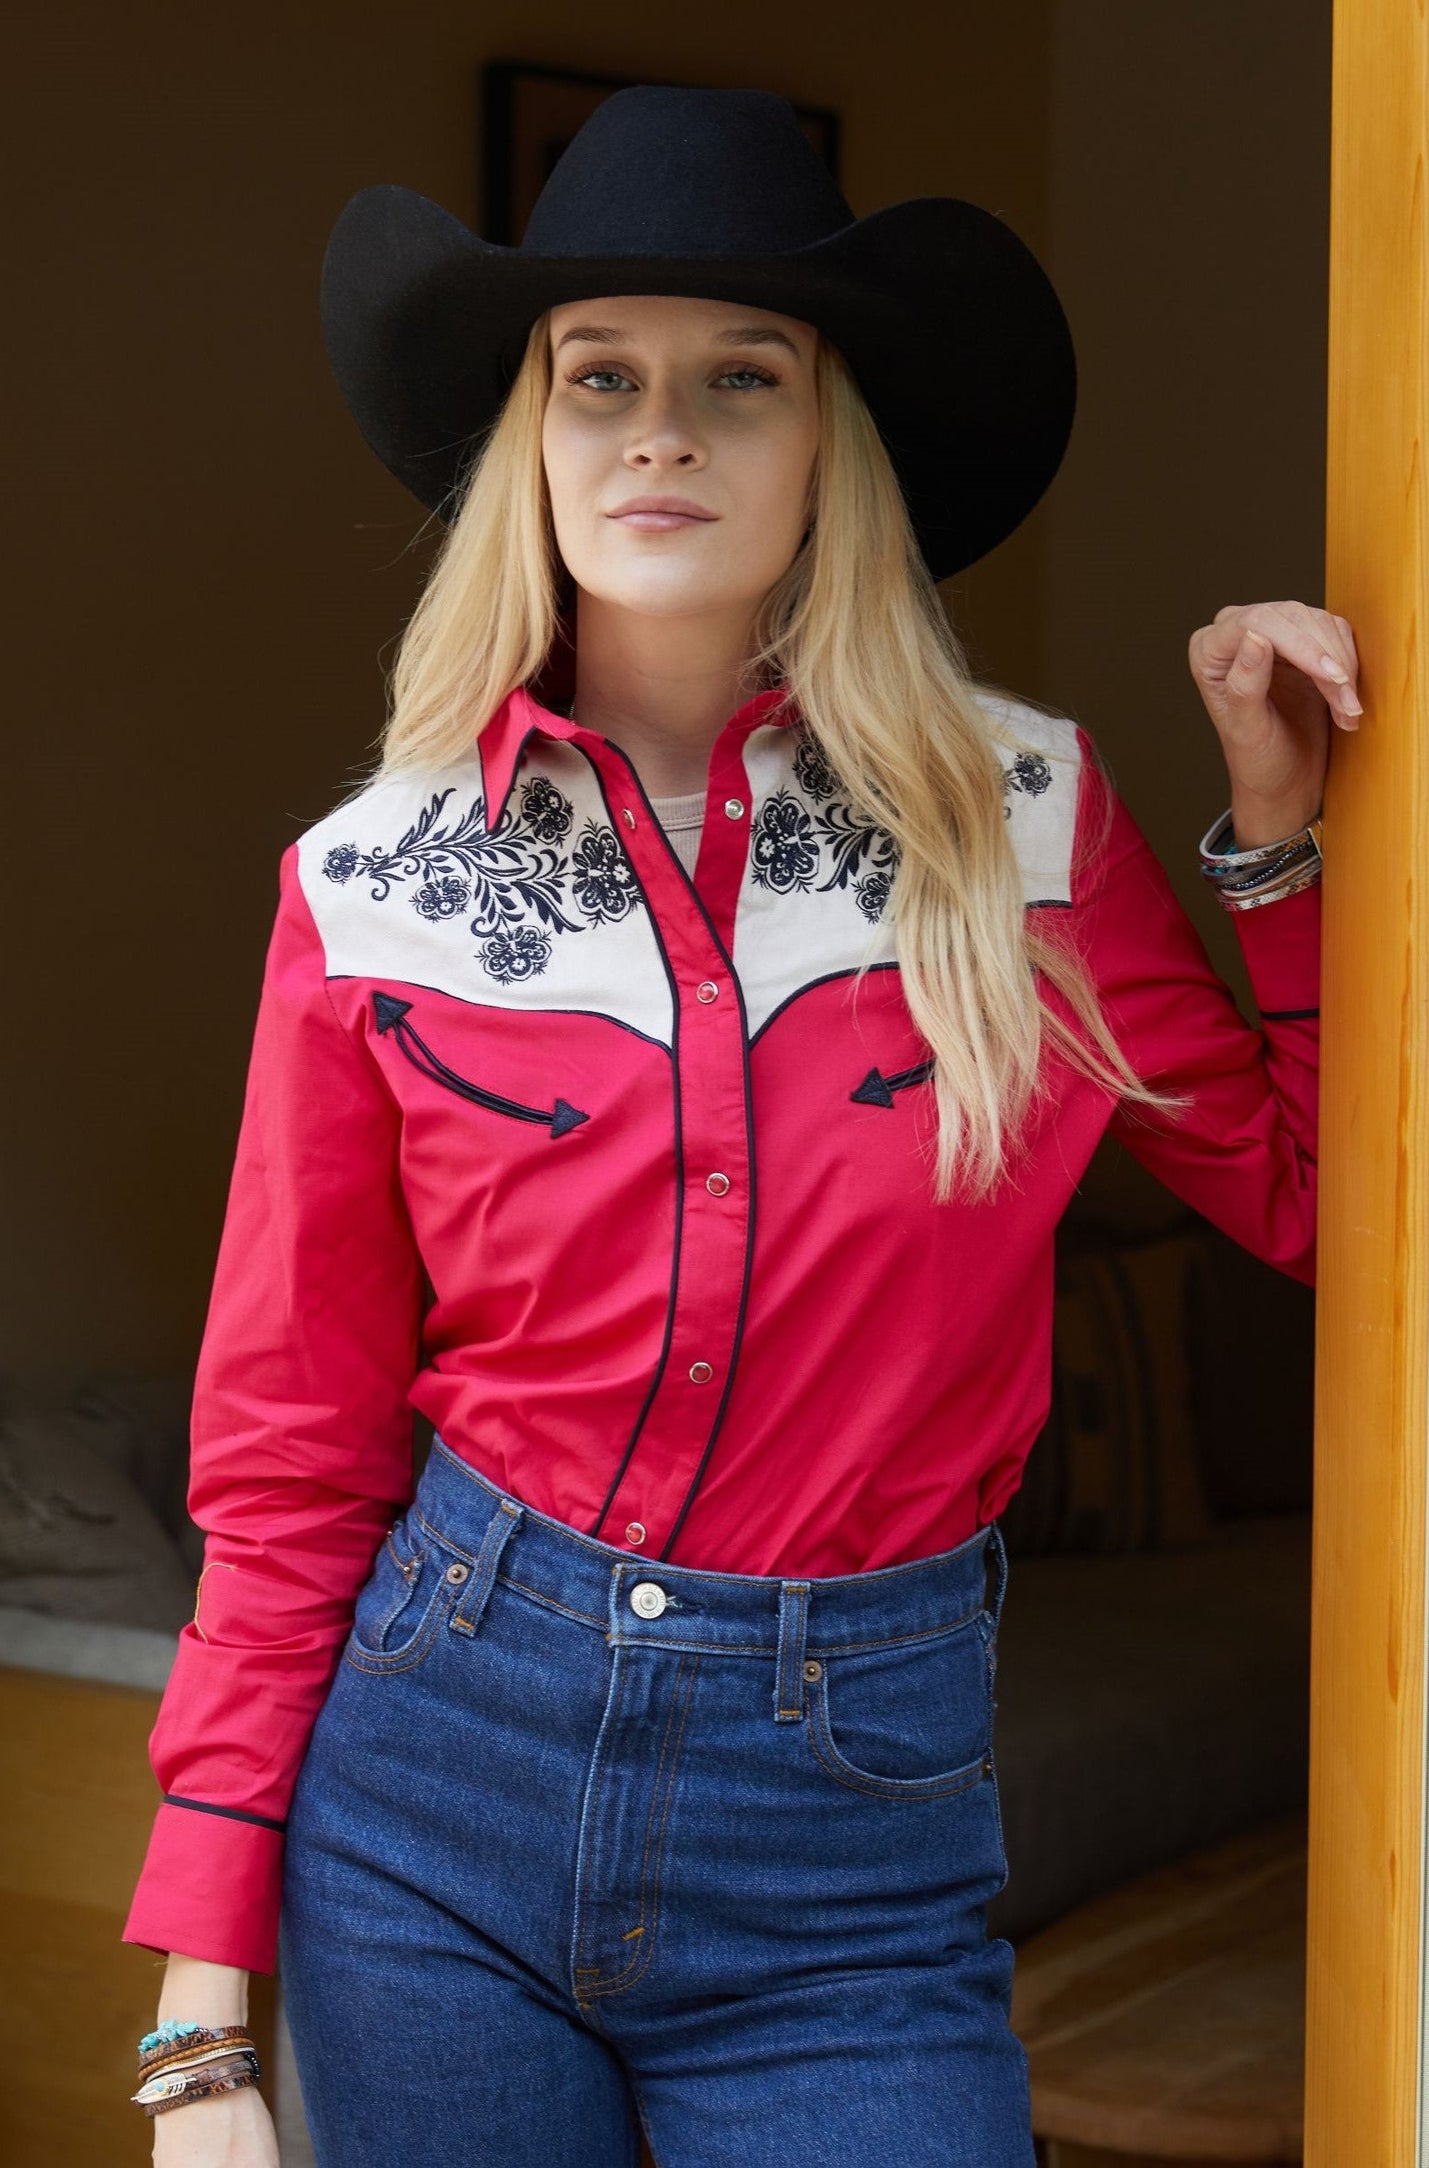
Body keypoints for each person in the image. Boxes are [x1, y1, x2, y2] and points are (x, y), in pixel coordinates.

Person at [121, 84, 1352, 2168]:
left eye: (737, 379)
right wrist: (199, 2037)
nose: (659, 431)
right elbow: (295, 1450)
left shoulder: (1023, 826)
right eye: (596, 377)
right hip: (434, 1806)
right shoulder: (374, 887)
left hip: (851, 1855)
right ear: (532, 439)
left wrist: (1279, 851)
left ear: (829, 444)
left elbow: (1333, 1214)